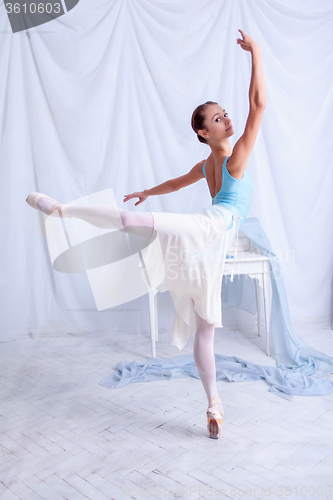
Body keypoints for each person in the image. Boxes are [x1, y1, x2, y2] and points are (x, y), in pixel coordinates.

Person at [26, 29, 266, 439]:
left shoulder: (214, 161)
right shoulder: (231, 158)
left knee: (205, 329)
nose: (228, 118)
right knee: (134, 221)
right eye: (217, 118)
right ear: (204, 134)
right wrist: (256, 51)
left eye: (225, 113)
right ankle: (60, 209)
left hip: (211, 246)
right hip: (209, 231)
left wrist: (147, 191)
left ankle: (214, 406)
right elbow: (258, 105)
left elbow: (174, 184)